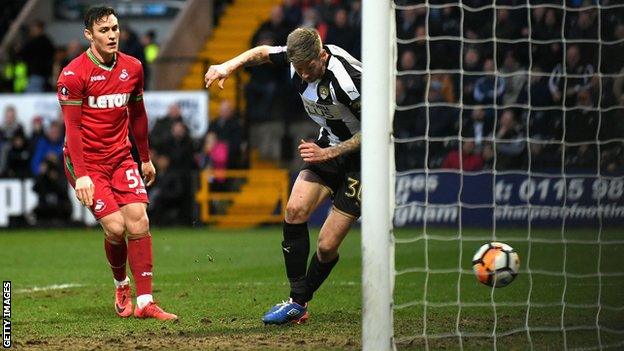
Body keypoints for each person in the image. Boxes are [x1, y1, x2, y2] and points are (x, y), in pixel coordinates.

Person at [205, 27, 362, 325]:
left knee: (327, 246)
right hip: (327, 145)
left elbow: (376, 127)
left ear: (323, 55)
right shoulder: (297, 60)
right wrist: (227, 66)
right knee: (294, 209)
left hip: (362, 160)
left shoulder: (349, 80)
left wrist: (329, 153)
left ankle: (298, 302)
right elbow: (262, 52)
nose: (303, 75)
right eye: (298, 69)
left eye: (309, 68)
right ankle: (296, 302)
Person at [56, 6, 176, 320]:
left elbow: (137, 115)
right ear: (88, 35)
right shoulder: (73, 74)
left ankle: (145, 302)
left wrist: (145, 158)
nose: (112, 36)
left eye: (115, 29)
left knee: (140, 221)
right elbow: (73, 129)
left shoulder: (133, 67)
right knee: (116, 227)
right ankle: (121, 284)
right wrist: (82, 175)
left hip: (121, 157)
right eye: (104, 31)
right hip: (86, 163)